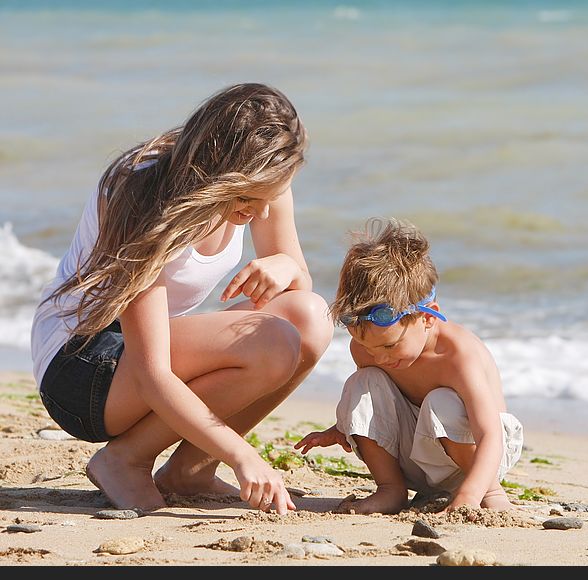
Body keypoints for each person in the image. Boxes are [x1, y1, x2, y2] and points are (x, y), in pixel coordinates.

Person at [31, 83, 333, 515]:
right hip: (79, 363)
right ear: (214, 170)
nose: (261, 212)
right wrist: (242, 455)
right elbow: (153, 372)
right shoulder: (145, 193)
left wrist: (288, 266)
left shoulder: (267, 179)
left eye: (268, 196)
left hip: (138, 356)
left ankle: (189, 472)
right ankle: (124, 460)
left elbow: (298, 301)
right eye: (248, 197)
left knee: (311, 317)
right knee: (270, 341)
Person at [294, 219, 523, 514]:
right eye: (368, 347)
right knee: (362, 382)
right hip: (413, 459)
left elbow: (490, 434)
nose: (380, 358)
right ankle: (391, 489)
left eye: (389, 346)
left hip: (480, 461)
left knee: (441, 401)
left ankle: (490, 492)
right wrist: (340, 429)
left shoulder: (458, 355)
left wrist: (473, 493)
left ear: (428, 318)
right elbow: (381, 407)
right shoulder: (368, 351)